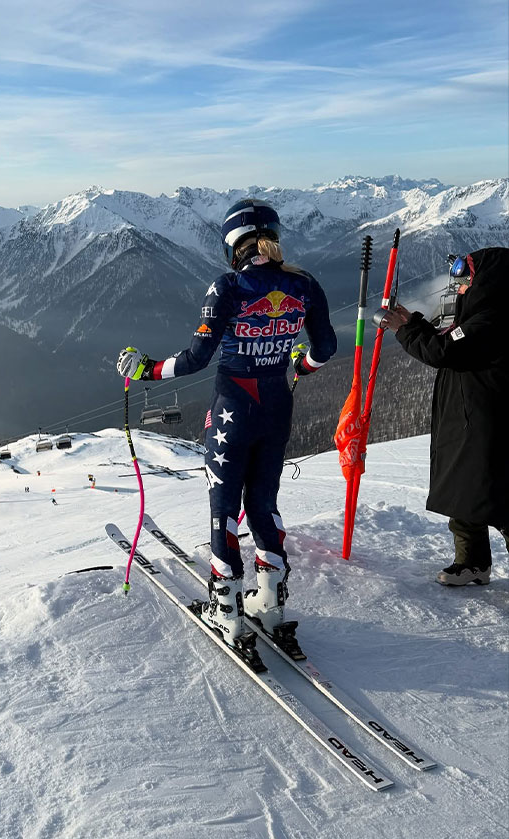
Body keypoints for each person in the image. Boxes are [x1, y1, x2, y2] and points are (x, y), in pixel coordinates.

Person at [117, 199, 337, 659]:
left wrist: (146, 370)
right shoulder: (304, 284)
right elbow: (326, 347)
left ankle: (228, 608)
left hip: (232, 406)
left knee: (224, 506)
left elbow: (196, 358)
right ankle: (271, 602)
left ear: (230, 245)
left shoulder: (228, 288)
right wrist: (301, 366)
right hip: (277, 403)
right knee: (263, 501)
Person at [381, 247, 509, 586]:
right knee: (465, 489)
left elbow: (446, 349)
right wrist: (416, 323)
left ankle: (474, 560)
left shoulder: (492, 318)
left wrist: (405, 331)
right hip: (469, 419)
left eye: (467, 278)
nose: (461, 286)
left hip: (489, 423)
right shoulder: (480, 316)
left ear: (488, 281)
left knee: (497, 495)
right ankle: (473, 562)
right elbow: (447, 337)